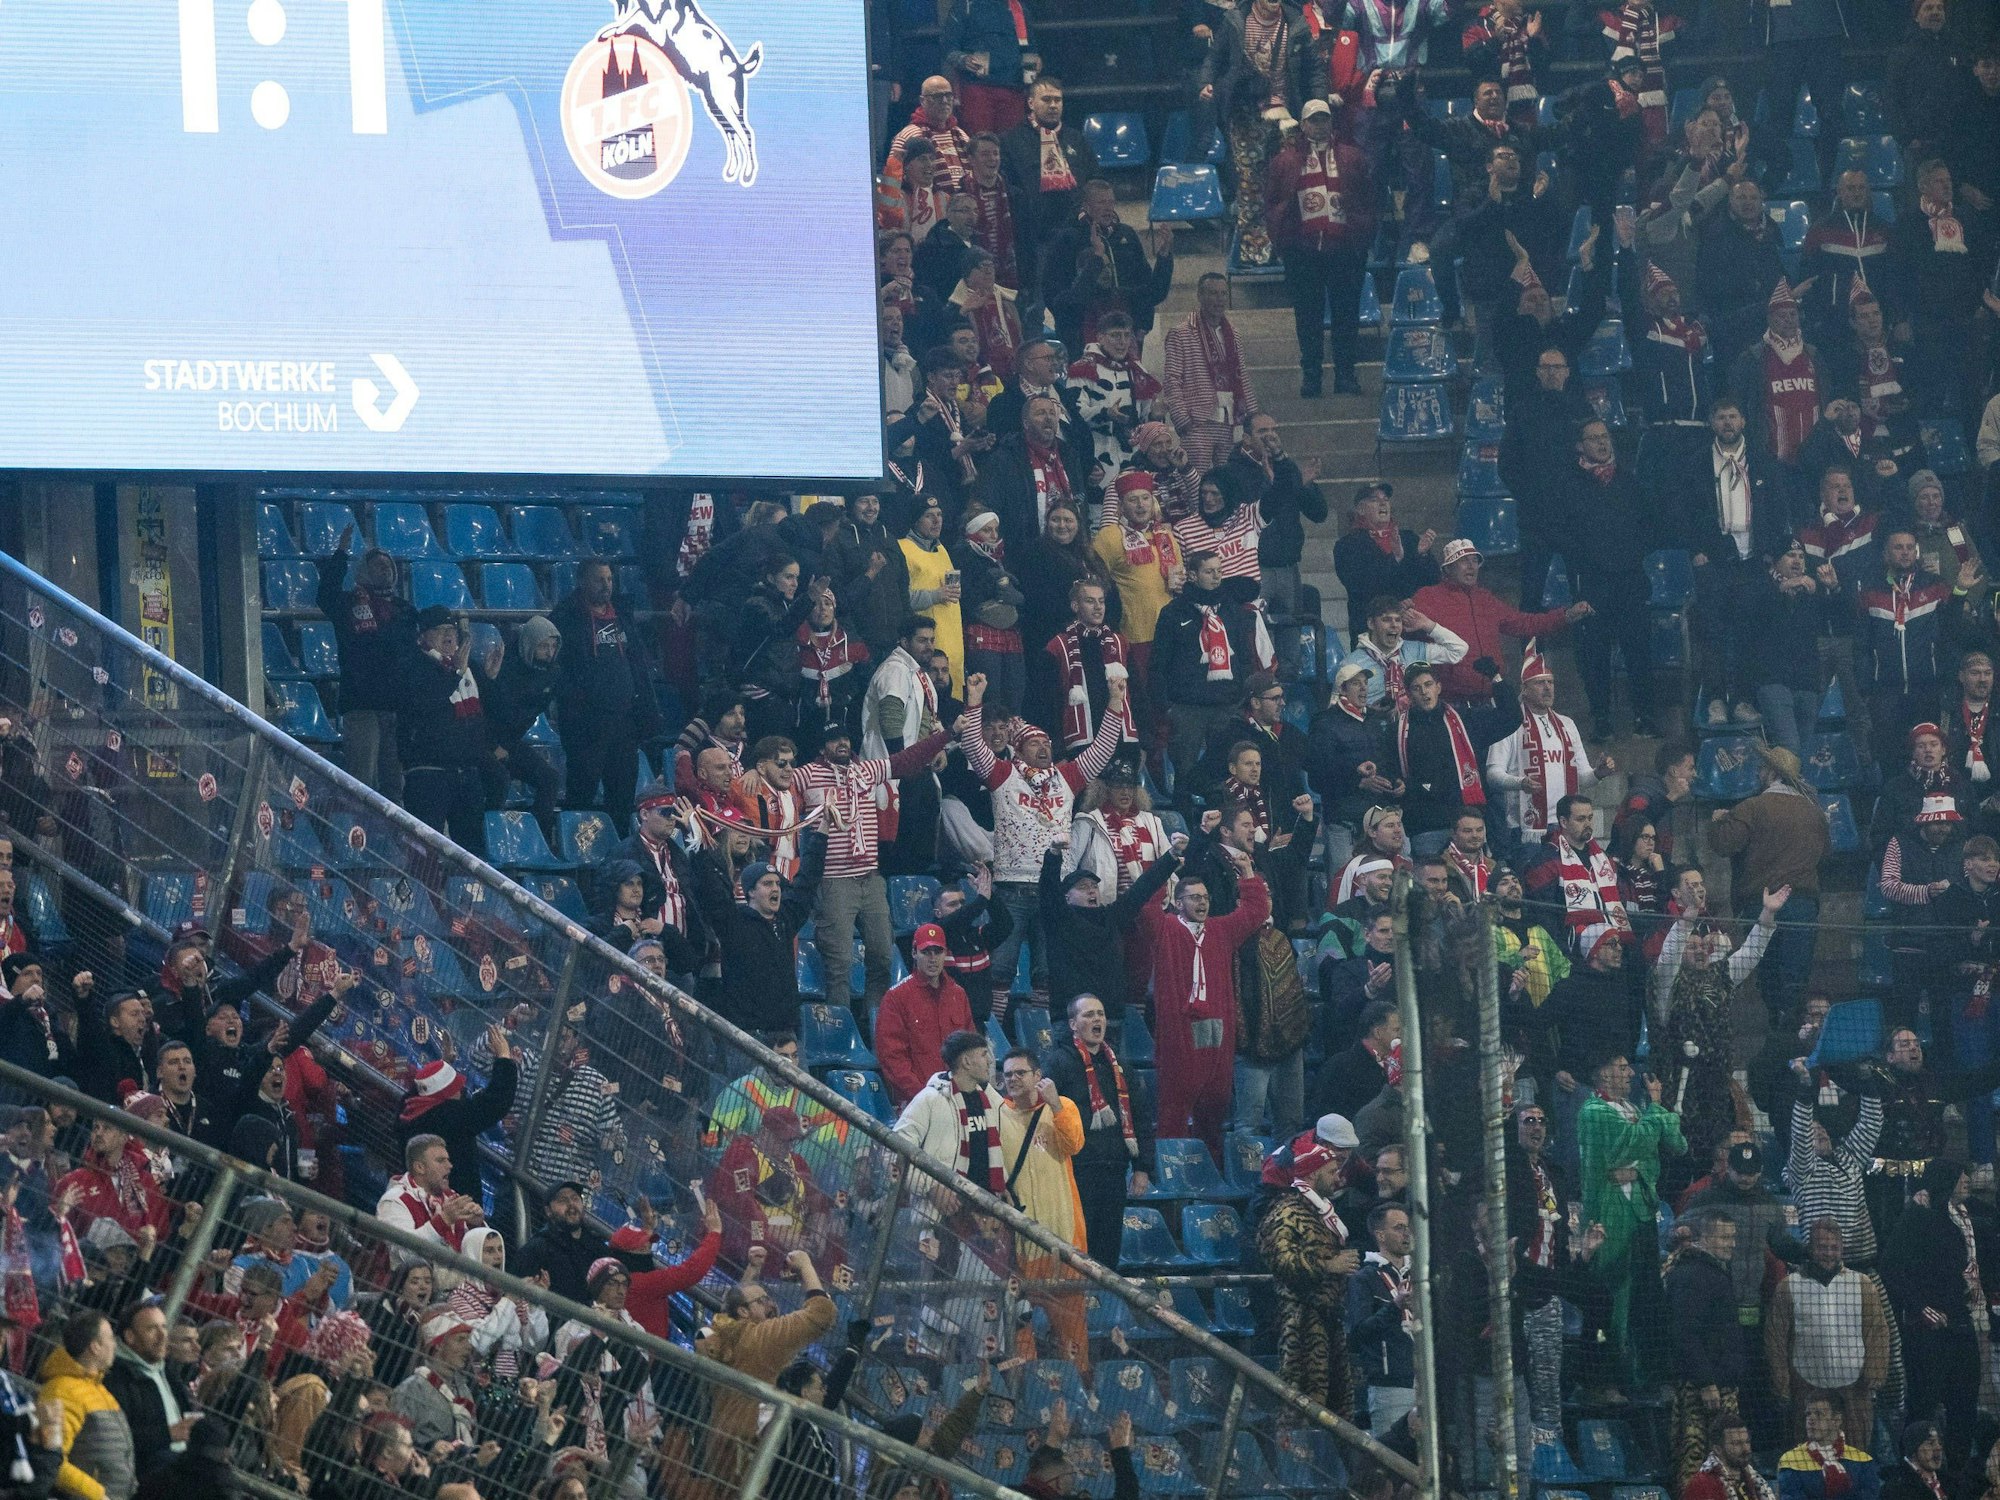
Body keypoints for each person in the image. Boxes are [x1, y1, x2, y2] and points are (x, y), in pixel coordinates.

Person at [1137, 846, 1270, 1156]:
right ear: (1178, 902)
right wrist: (1167, 864)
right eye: (1195, 897)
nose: (1202, 903)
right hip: (1178, 1027)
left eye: (1205, 898)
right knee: (1176, 1103)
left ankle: (1211, 1170)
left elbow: (1255, 911)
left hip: (1217, 1027)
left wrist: (1248, 874)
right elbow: (1146, 906)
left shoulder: (1221, 930)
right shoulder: (1167, 928)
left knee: (1216, 1101)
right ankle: (1171, 1171)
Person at [1654, 890, 1787, 1167]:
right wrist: (1687, 919)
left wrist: (1767, 914)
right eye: (1692, 947)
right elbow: (1667, 958)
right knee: (1678, 1161)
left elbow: (1751, 953)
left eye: (1704, 946)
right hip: (1678, 1087)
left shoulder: (1721, 975)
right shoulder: (1668, 982)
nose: (1701, 950)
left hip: (1716, 1088)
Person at [1578, 1051, 1685, 1389]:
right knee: (1614, 1300)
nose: (1629, 1074)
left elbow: (1672, 1148)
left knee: (1644, 1295)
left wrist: (1655, 1113)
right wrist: (1655, 1116)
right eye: (1622, 1068)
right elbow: (1631, 1144)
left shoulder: (1635, 1110)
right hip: (1608, 1217)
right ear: (1602, 1073)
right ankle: (1609, 1381)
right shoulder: (1593, 1112)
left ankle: (1646, 1377)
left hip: (1640, 1212)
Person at [1264, 99, 1375, 397]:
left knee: (1346, 315)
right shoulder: (1285, 161)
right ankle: (1311, 376)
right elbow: (1273, 202)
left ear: (1332, 122)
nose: (1320, 124)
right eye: (1314, 120)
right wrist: (1284, 239)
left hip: (1344, 249)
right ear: (1303, 124)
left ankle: (1346, 375)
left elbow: (1367, 199)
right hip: (1303, 250)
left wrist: (1361, 236)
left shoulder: (1352, 157)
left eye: (1324, 118)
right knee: (1307, 317)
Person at [1256, 1127, 1363, 1420]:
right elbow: (1278, 1256)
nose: (1337, 1177)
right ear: (1313, 1174)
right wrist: (1327, 1265)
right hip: (1302, 1322)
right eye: (1330, 1172)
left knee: (1337, 1406)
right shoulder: (1288, 1209)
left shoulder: (1320, 1211)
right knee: (1302, 1405)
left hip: (1329, 1317)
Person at [1042, 991, 1153, 1270]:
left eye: (1100, 1014)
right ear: (1072, 1024)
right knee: (1078, 1248)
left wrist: (1142, 1167)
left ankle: (1105, 1308)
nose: (1097, 1019)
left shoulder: (1120, 1065)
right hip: (1076, 1171)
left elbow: (1140, 1117)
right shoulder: (1058, 1062)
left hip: (1114, 1170)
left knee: (1108, 1251)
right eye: (1088, 1014)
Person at [551, 559, 661, 835]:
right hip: (585, 725)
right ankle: (577, 849)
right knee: (581, 790)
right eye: (599, 579)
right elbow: (557, 669)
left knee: (622, 793)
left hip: (624, 722)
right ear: (582, 582)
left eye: (610, 579)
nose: (606, 585)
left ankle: (621, 850)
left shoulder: (622, 615)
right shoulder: (565, 618)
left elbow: (637, 664)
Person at [1883, 1158, 1982, 1463]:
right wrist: (1919, 1307)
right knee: (1924, 1405)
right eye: (1958, 1173)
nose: (1965, 1179)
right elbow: (1890, 1268)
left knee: (1965, 1402)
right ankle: (1915, 1471)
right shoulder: (1917, 1217)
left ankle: (1957, 1471)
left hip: (1960, 1322)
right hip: (1926, 1331)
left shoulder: (1961, 1217)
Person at [994, 1049, 1087, 1365]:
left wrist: (1055, 1102)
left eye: (1021, 1073)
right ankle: (1023, 1401)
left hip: (1063, 1243)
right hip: (1017, 1249)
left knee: (1073, 1337)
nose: (1013, 1079)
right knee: (1020, 1341)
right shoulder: (996, 1114)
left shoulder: (1063, 1107)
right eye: (1008, 1075)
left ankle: (1078, 1395)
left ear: (1038, 1076)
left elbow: (1074, 1143)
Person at [1766, 1218, 1890, 1448]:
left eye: (1835, 1248)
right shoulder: (1789, 1286)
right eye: (1822, 1247)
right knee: (1808, 1454)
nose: (1829, 1253)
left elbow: (1877, 1332)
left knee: (1854, 1453)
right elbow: (1776, 1339)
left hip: (1854, 1388)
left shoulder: (1862, 1284)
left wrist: (1875, 1372)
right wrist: (1781, 1382)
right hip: (1807, 1384)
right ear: (1811, 1248)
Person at [314, 526, 414, 799]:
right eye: (378, 565)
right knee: (362, 782)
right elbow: (325, 595)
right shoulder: (348, 604)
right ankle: (359, 838)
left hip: (395, 707)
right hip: (361, 704)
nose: (385, 570)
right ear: (364, 571)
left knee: (395, 784)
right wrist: (341, 554)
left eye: (388, 565)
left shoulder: (405, 610)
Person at [1486, 641, 1612, 844]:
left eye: (1550, 682)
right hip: (1526, 827)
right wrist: (1520, 783)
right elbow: (1493, 775)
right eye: (1540, 683)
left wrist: (1598, 773)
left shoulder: (1567, 724)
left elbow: (1583, 777)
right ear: (1524, 689)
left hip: (1566, 825)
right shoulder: (1510, 723)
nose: (1547, 688)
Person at [1665, 1210, 1748, 1490]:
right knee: (1696, 1458)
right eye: (1725, 1237)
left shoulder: (1712, 1272)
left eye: (1733, 1236)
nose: (1732, 1243)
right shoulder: (1693, 1275)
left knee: (1723, 1464)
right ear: (1705, 1238)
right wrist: (1705, 1382)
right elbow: (1684, 1333)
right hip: (1705, 1389)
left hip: (1720, 1384)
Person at [395, 1026, 517, 1204]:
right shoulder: (450, 1116)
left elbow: (425, 1089)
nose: (461, 1091)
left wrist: (444, 1066)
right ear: (445, 1095)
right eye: (455, 1087)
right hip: (456, 1202)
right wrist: (504, 1057)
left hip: (419, 1198)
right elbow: (496, 1102)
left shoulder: (408, 1109)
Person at [1162, 273, 1258, 474]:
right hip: (1198, 421)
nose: (1219, 299)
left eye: (1224, 294)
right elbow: (1172, 381)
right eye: (1213, 293)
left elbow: (1242, 376)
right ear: (1200, 295)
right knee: (1196, 480)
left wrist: (1252, 417)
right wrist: (1182, 420)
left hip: (1230, 420)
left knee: (1229, 481)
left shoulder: (1234, 333)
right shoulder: (1181, 333)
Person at [876, 923, 975, 1108]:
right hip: (916, 1103)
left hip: (958, 1100)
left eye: (938, 952)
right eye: (926, 952)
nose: (933, 959)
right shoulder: (896, 997)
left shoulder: (958, 994)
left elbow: (971, 1050)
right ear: (914, 953)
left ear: (945, 953)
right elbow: (892, 1058)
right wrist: (924, 1097)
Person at [40, 1308, 135, 1500]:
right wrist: (97, 1495)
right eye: (110, 1338)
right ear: (95, 1347)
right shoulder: (60, 1391)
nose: (115, 1345)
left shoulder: (100, 1391)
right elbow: (51, 1460)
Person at [102, 1301, 191, 1484]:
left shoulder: (167, 1372)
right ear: (130, 1337)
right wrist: (168, 1434)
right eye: (152, 1329)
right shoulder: (117, 1378)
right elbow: (116, 1439)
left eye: (164, 1327)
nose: (162, 1336)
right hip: (144, 1473)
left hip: (177, 1466)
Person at [1347, 1203, 1416, 1435]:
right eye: (1398, 1228)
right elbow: (1358, 1333)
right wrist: (1394, 1307)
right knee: (1392, 1461)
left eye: (1408, 1227)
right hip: (1390, 1385)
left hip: (1427, 1381)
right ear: (1380, 1235)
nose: (1406, 1233)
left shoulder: (1420, 1274)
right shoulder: (1364, 1279)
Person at [1776, 1393, 1880, 1500]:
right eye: (1808, 1414)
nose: (1810, 1420)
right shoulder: (1791, 1460)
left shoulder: (1862, 1460)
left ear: (1837, 1420)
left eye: (1819, 1414)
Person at [1684, 1418, 1778, 1500]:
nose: (1745, 1448)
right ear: (1718, 1449)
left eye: (1747, 1442)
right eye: (1736, 1443)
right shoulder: (1703, 1485)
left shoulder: (1754, 1481)